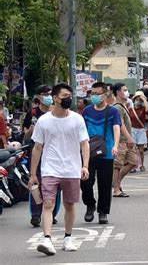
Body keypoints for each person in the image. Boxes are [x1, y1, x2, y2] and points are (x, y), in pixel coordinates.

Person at [28, 83, 90, 256]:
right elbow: (37, 147)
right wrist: (33, 174)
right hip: (50, 168)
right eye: (64, 96)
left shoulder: (77, 119)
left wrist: (85, 165)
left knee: (69, 204)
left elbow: (84, 143)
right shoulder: (44, 121)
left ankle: (67, 237)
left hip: (71, 169)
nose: (68, 99)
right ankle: (47, 239)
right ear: (55, 98)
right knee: (48, 204)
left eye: (69, 95)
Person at [81, 82, 121, 224]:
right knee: (85, 182)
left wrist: (115, 146)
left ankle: (103, 212)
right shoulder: (86, 111)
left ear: (105, 94)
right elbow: (81, 130)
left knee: (105, 184)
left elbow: (117, 129)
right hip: (88, 152)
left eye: (97, 94)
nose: (94, 96)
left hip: (107, 152)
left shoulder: (113, 112)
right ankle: (90, 204)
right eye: (92, 93)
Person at [23, 85, 60, 227]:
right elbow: (25, 134)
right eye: (46, 94)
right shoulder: (32, 113)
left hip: (54, 152)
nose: (49, 96)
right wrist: (31, 130)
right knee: (36, 181)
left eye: (51, 94)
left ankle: (50, 213)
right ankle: (36, 214)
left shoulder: (57, 112)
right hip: (37, 150)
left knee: (55, 183)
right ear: (38, 97)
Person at [112, 83, 137, 198]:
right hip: (122, 140)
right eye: (124, 90)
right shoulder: (117, 107)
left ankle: (116, 183)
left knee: (133, 162)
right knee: (117, 165)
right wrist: (128, 137)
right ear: (118, 92)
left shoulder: (124, 105)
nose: (127, 92)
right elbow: (120, 124)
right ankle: (116, 189)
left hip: (127, 140)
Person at [129, 91, 148, 171]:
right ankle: (134, 166)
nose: (138, 100)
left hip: (141, 129)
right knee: (133, 149)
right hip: (133, 129)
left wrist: (144, 100)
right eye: (137, 98)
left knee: (141, 150)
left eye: (139, 99)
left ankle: (142, 165)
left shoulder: (143, 108)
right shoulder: (131, 108)